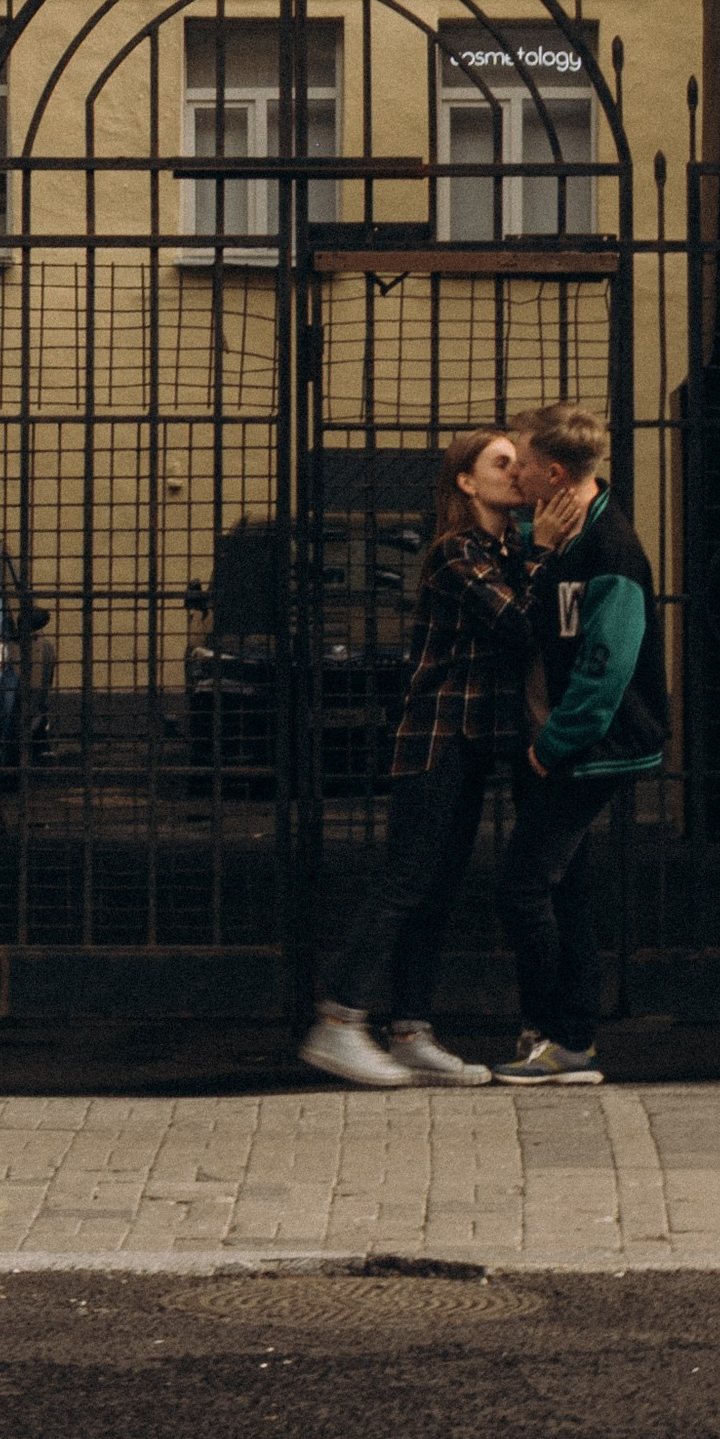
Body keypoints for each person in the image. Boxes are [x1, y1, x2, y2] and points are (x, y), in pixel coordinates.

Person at [298, 426, 585, 1089]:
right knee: (406, 881)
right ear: (466, 481)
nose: (519, 473)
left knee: (436, 891)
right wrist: (544, 554)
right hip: (436, 740)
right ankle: (337, 1021)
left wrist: (538, 552)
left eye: (521, 462)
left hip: (474, 744)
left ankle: (410, 1033)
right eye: (502, 462)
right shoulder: (456, 552)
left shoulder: (506, 547)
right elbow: (521, 626)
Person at [488, 401, 669, 1088]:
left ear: (555, 473)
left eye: (524, 464)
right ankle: (571, 1038)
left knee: (522, 887)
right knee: (567, 893)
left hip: (588, 748)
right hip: (563, 746)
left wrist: (551, 746)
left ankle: (556, 1037)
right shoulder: (559, 536)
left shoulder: (611, 547)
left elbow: (606, 664)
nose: (516, 473)